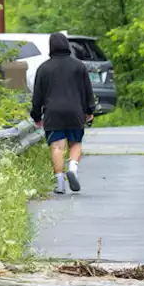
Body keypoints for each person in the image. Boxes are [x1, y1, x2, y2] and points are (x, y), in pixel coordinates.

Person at [31, 33, 95, 195]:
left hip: (53, 113)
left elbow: (37, 96)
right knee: (75, 143)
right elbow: (88, 91)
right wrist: (89, 110)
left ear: (51, 47)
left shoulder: (44, 68)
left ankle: (60, 184)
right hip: (75, 111)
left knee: (57, 147)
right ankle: (72, 168)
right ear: (67, 45)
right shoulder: (79, 66)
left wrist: (36, 116)